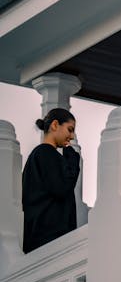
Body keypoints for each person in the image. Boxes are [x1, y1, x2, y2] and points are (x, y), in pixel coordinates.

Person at [22, 108, 80, 254]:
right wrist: (73, 159)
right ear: (55, 125)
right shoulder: (45, 153)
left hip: (39, 239)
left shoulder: (38, 156)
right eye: (70, 129)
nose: (72, 136)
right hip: (48, 239)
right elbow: (62, 187)